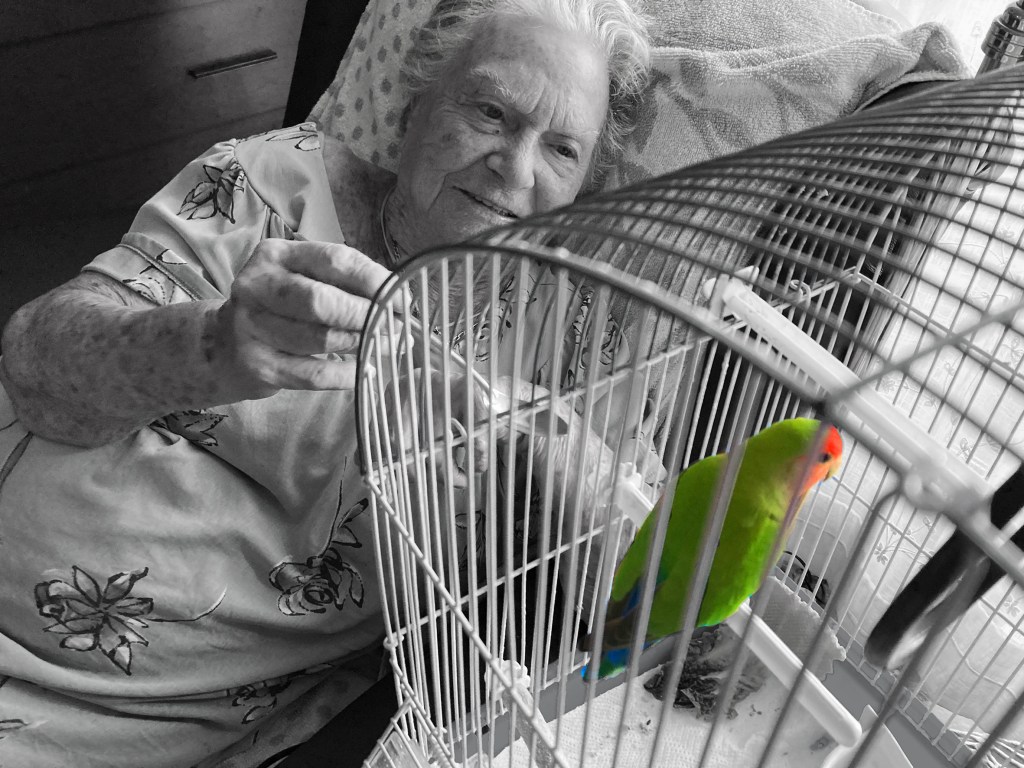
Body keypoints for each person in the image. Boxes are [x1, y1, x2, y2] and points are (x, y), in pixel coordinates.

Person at [0, 0, 650, 765]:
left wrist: (568, 474)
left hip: (103, 728)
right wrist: (208, 345)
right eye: (490, 112)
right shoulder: (271, 185)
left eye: (562, 150)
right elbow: (34, 361)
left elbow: (643, 568)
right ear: (413, 109)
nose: (516, 166)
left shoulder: (575, 334)